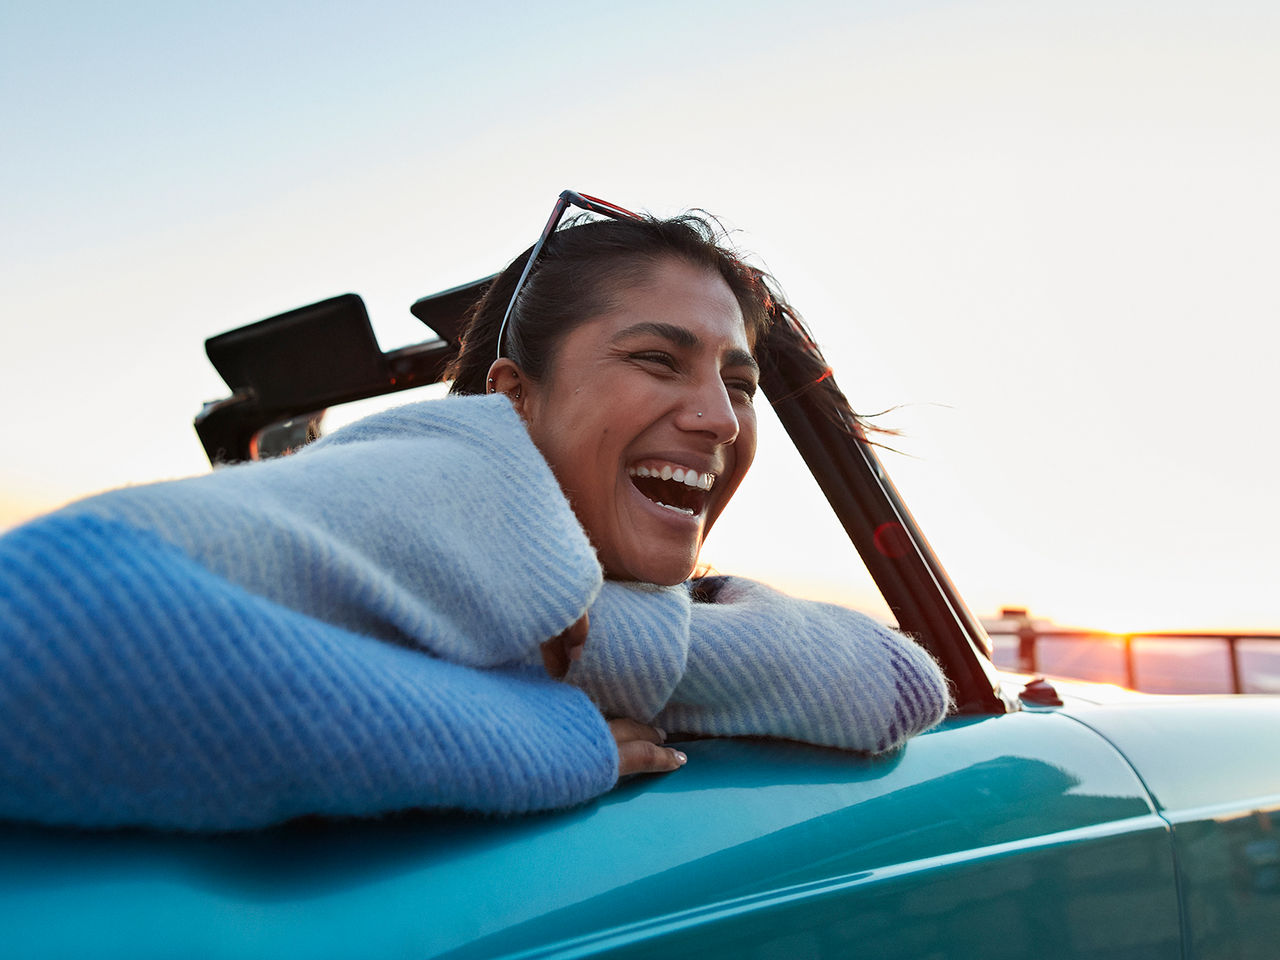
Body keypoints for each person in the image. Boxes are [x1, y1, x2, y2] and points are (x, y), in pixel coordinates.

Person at [0, 191, 949, 831]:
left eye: (739, 383)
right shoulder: (453, 476)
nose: (715, 417)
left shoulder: (567, 591)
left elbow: (894, 689)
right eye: (656, 360)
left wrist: (611, 646)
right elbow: (41, 629)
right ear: (515, 396)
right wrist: (539, 736)